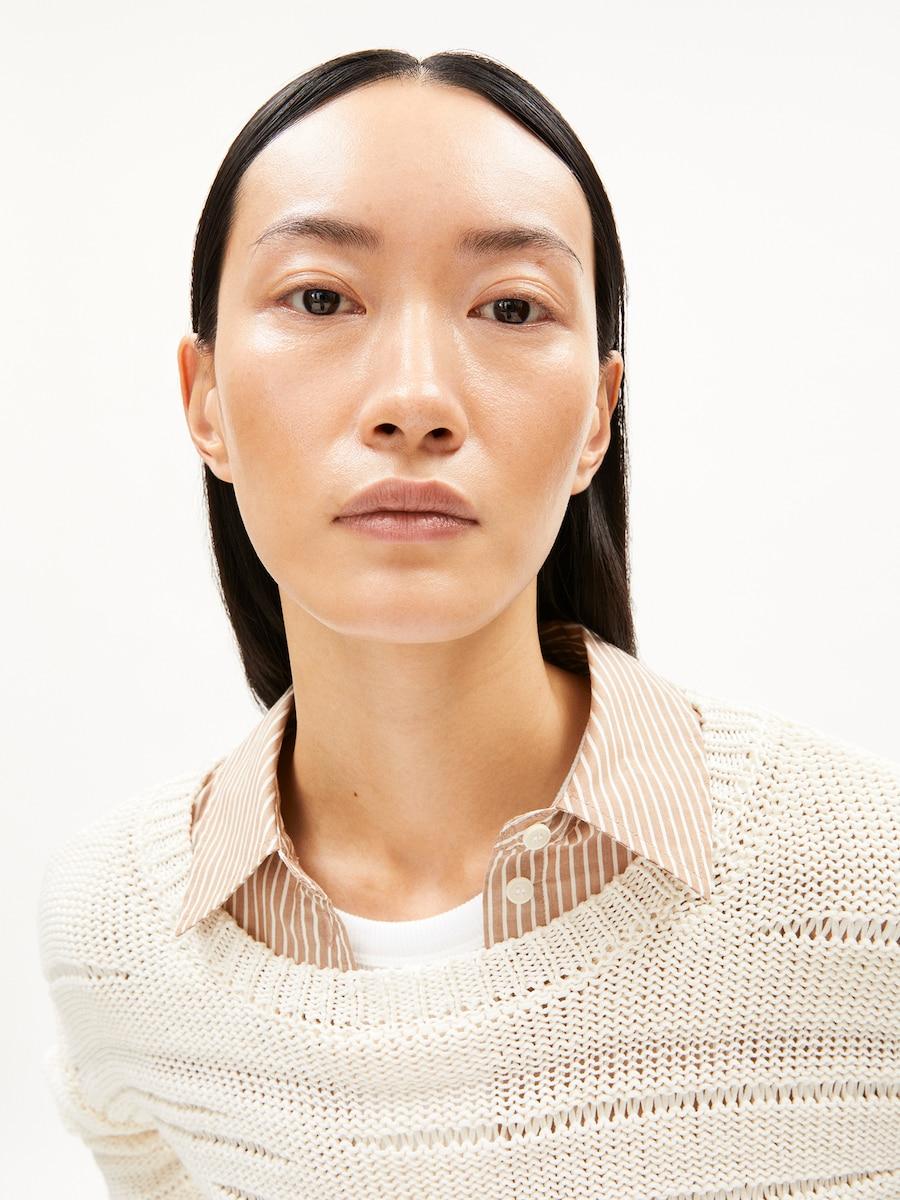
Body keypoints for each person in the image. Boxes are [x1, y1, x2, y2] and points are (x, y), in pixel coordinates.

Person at [36, 47, 900, 1199]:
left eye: (510, 307)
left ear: (597, 418)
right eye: (320, 298)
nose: (415, 402)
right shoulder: (115, 936)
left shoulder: (869, 887)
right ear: (205, 400)